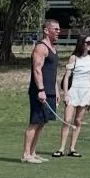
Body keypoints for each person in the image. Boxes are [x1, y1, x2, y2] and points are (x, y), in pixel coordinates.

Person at [21, 18, 61, 163]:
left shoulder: (53, 48)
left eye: (58, 29)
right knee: (35, 121)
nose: (58, 32)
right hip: (39, 91)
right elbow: (37, 70)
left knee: (42, 122)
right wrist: (41, 90)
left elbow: (52, 72)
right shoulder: (41, 47)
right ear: (46, 30)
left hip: (50, 90)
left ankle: (33, 152)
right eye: (55, 29)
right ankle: (26, 154)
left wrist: (56, 91)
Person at [56, 34, 90, 157]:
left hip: (85, 91)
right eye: (87, 42)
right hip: (73, 90)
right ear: (81, 43)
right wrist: (66, 94)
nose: (89, 45)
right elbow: (67, 76)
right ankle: (61, 148)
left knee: (78, 120)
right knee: (67, 120)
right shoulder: (73, 58)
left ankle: (72, 148)